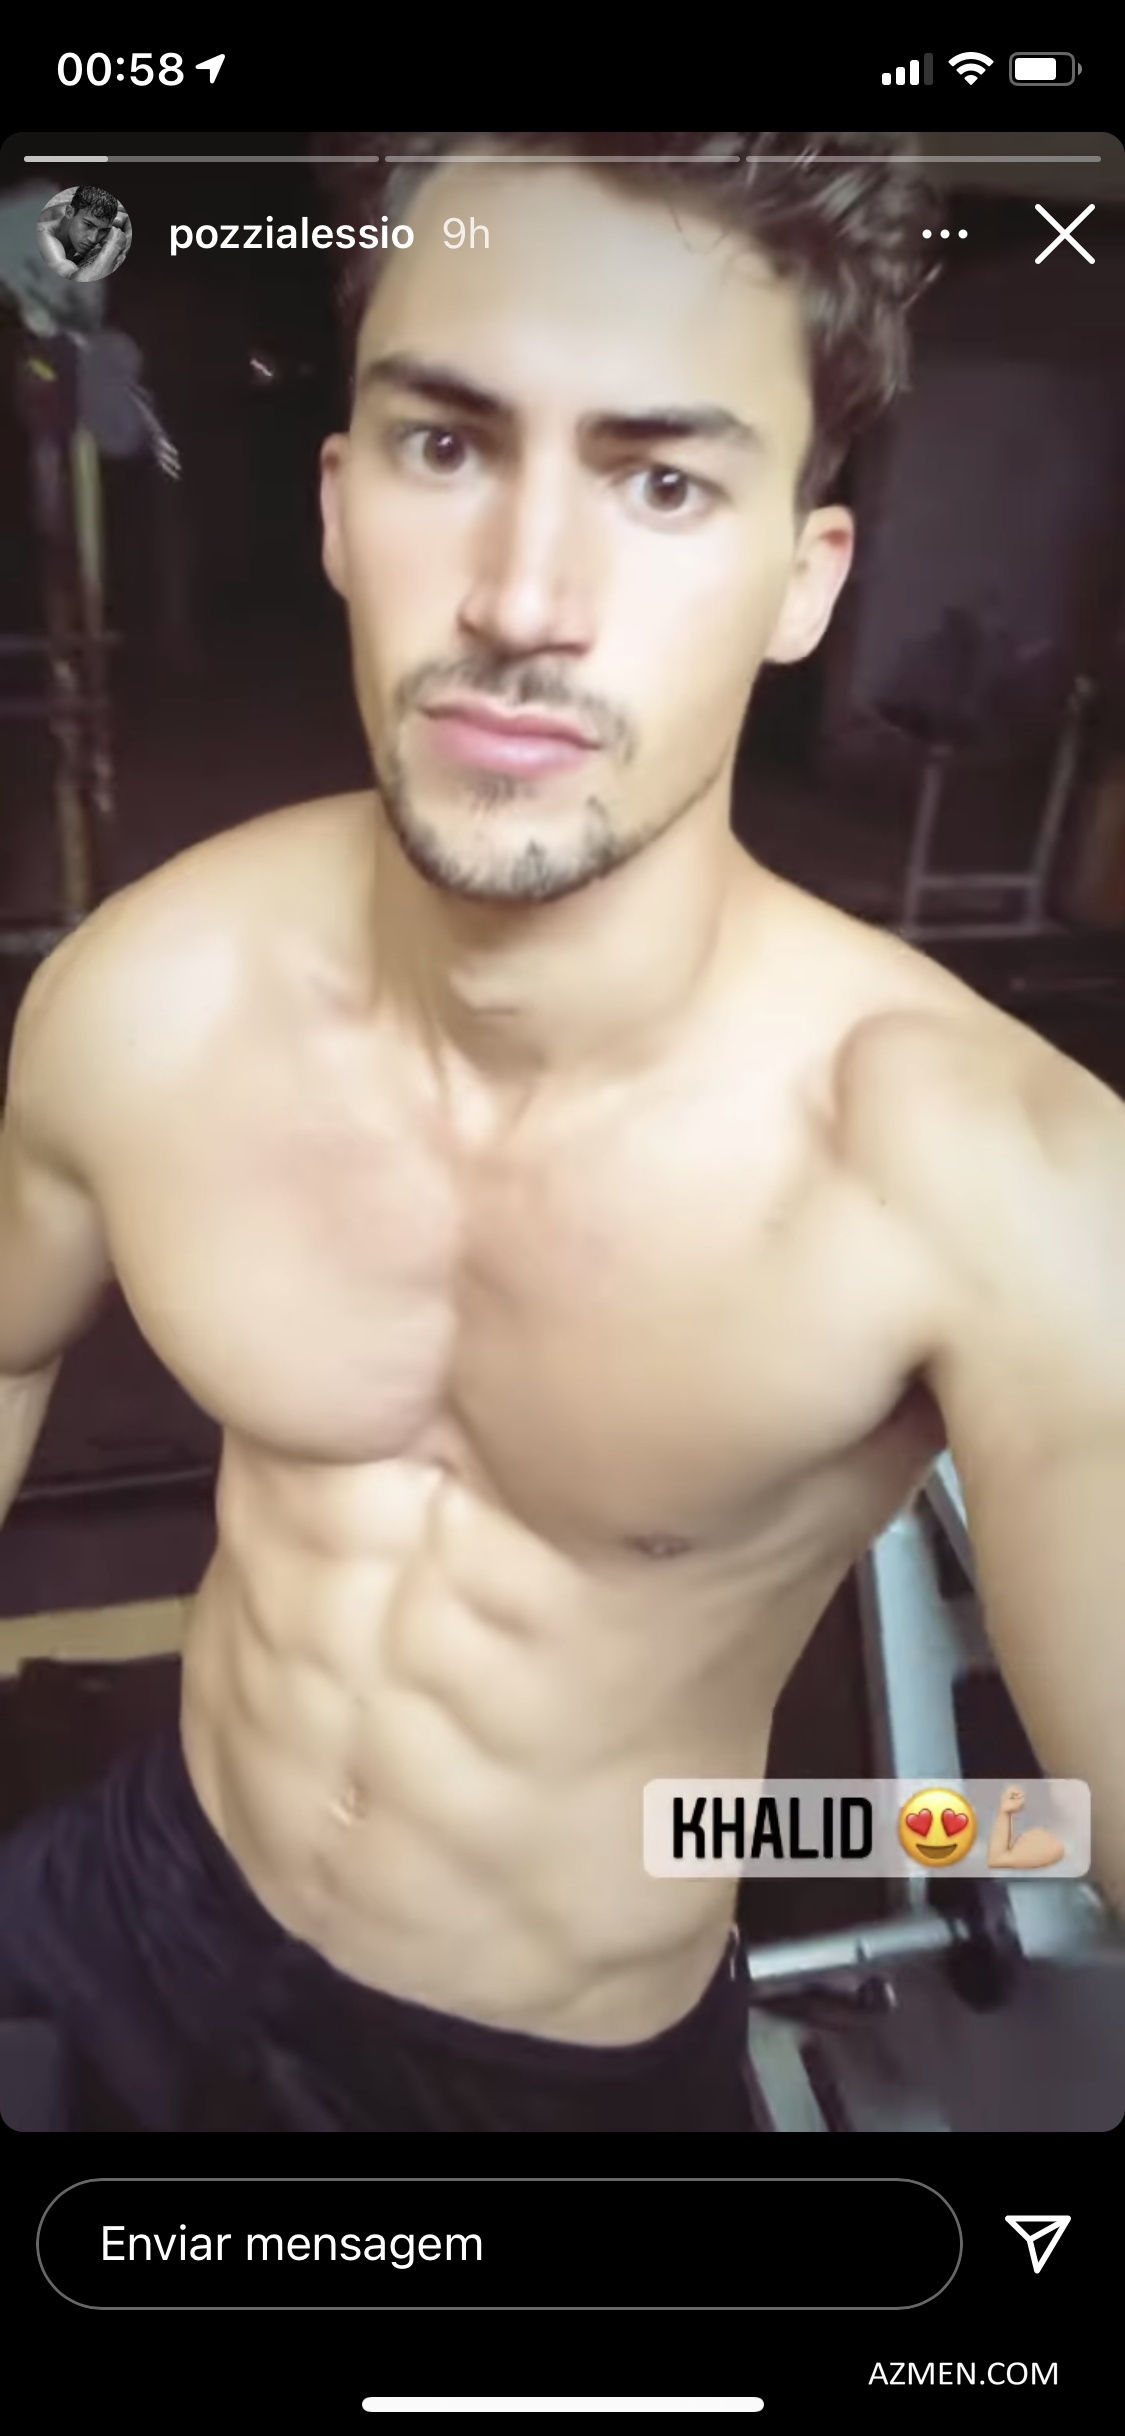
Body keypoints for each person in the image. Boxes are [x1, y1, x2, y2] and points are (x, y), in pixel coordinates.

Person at [1, 132, 1123, 2134]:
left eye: (663, 481)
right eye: (446, 447)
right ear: (338, 504)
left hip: (551, 2066)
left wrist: (904, 1832)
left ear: (803, 578)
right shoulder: (145, 997)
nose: (524, 601)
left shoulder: (994, 1186)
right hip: (146, 1901)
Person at [36, 186, 130, 283]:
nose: (93, 239)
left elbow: (126, 218)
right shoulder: (44, 237)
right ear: (69, 213)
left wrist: (124, 249)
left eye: (103, 230)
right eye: (88, 225)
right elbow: (78, 280)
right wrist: (114, 247)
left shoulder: (92, 214)